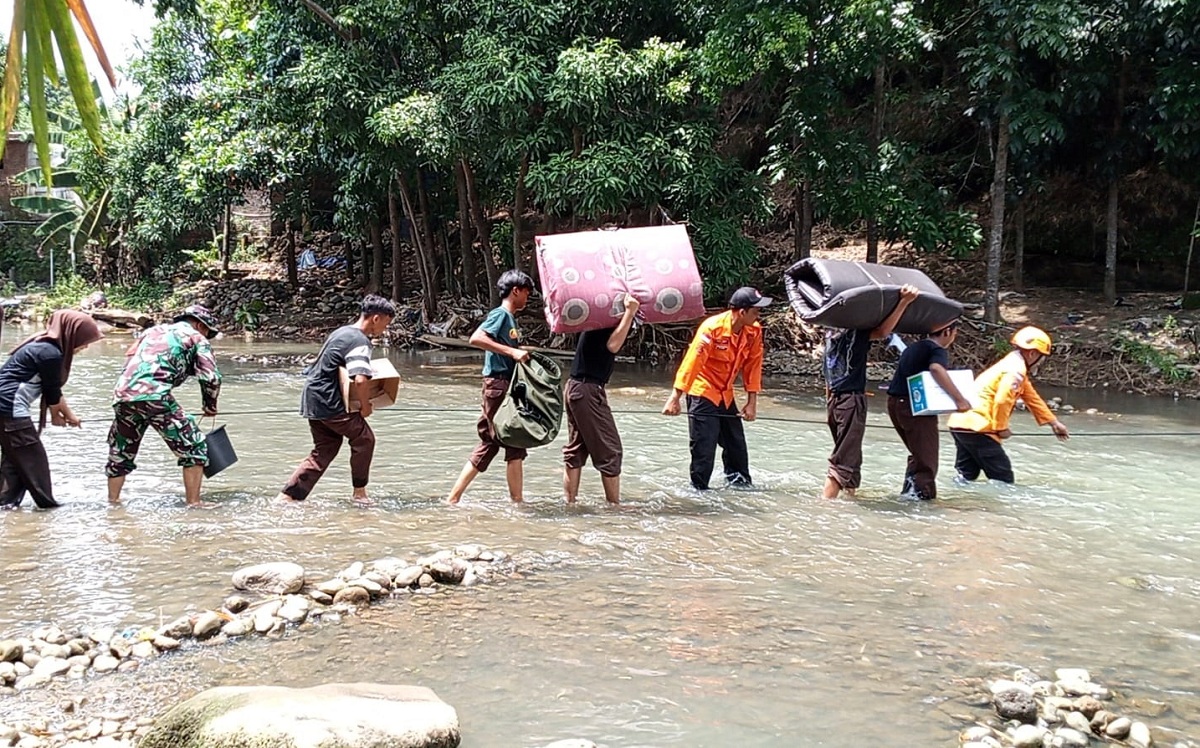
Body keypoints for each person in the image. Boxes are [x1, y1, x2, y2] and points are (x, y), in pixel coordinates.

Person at [276, 295, 396, 505]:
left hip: (312, 398)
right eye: (386, 323)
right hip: (330, 401)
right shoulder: (361, 341)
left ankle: (288, 496)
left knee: (325, 448)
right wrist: (366, 406)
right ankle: (360, 494)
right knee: (365, 439)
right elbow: (360, 379)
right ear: (376, 318)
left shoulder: (342, 332)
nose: (384, 329)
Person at [106, 305, 222, 508]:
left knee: (121, 450)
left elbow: (130, 359)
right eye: (208, 331)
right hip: (156, 396)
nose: (207, 335)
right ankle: (194, 504)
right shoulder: (196, 337)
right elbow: (211, 377)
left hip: (123, 394)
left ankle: (113, 503)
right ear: (199, 324)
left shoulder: (151, 331)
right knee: (195, 447)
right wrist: (210, 405)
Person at [662, 287, 769, 490]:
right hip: (702, 391)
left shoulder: (753, 330)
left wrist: (751, 402)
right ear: (742, 312)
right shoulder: (712, 328)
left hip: (725, 393)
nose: (759, 315)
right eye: (756, 310)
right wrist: (675, 397)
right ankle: (699, 492)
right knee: (704, 448)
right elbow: (692, 362)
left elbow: (754, 366)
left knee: (736, 445)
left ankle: (741, 488)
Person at [822, 284, 919, 499]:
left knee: (851, 454)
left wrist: (830, 399)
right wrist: (904, 302)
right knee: (843, 459)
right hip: (850, 399)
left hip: (834, 400)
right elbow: (884, 331)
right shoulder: (855, 330)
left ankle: (850, 500)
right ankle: (824, 508)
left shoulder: (829, 330)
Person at [0, 310, 104, 509]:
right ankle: (48, 508)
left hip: (6, 408)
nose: (86, 346)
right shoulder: (50, 353)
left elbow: (53, 389)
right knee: (33, 459)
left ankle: (6, 506)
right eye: (85, 340)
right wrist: (57, 415)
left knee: (14, 461)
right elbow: (52, 391)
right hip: (8, 406)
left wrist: (69, 415)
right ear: (72, 334)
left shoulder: (44, 346)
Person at [448, 270, 535, 505]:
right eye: (526, 293)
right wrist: (513, 351)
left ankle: (517, 502)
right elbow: (476, 338)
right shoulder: (500, 314)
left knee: (515, 441)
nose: (527, 299)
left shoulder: (510, 319)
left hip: (506, 386)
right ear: (515, 291)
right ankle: (453, 498)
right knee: (491, 441)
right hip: (497, 385)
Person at [948, 325, 1069, 483]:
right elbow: (1002, 400)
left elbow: (1032, 398)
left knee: (966, 474)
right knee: (1003, 478)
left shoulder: (1010, 366)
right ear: (1032, 353)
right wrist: (1001, 428)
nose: (1041, 362)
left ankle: (959, 505)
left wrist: (1054, 423)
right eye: (1042, 357)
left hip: (960, 424)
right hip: (979, 428)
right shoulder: (1015, 371)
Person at [563, 294, 640, 504]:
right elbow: (613, 345)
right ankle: (614, 507)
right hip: (587, 389)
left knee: (577, 449)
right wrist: (630, 313)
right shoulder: (603, 318)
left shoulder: (595, 314)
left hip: (576, 387)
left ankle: (570, 505)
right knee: (611, 451)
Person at [885, 320, 972, 500]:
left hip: (896, 404)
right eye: (955, 333)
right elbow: (936, 369)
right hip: (915, 409)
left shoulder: (914, 347)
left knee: (918, 453)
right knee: (927, 460)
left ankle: (908, 494)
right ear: (947, 331)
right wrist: (959, 400)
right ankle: (921, 502)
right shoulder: (936, 349)